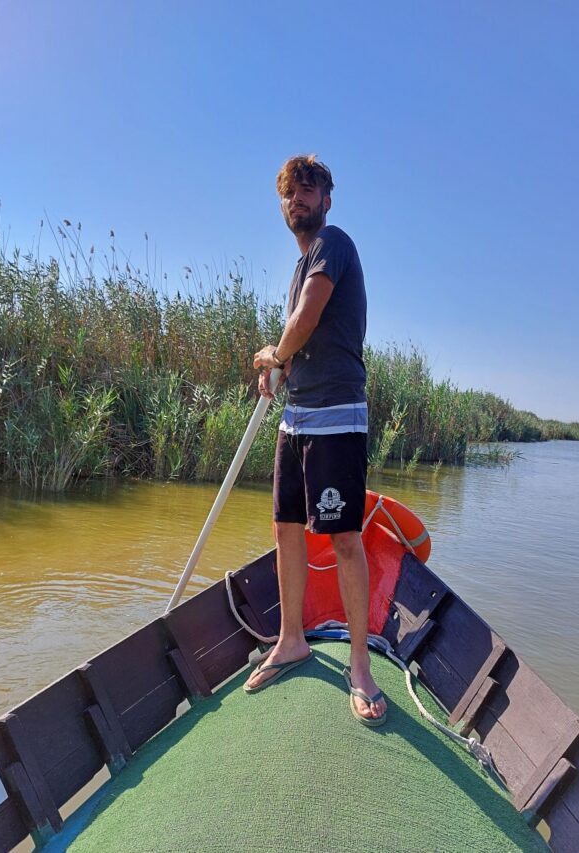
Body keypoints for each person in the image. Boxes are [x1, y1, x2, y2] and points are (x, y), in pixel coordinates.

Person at [245, 154, 387, 725]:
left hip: (336, 416)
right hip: (297, 416)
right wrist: (280, 370)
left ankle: (360, 666)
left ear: (327, 198)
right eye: (288, 194)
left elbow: (306, 317)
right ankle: (291, 640)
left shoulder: (333, 243)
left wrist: (274, 354)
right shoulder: (300, 264)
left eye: (307, 190)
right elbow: (300, 329)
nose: (296, 200)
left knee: (345, 537)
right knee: (285, 529)